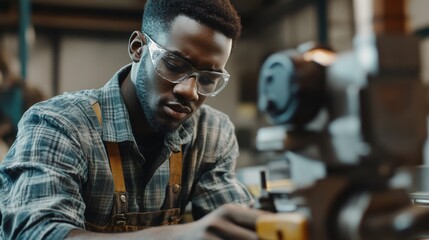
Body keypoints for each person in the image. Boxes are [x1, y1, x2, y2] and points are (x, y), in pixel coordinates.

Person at [0, 0, 267, 239]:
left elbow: (232, 223)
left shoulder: (211, 133)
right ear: (138, 48)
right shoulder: (59, 124)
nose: (189, 91)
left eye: (208, 79)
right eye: (174, 65)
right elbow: (36, 233)